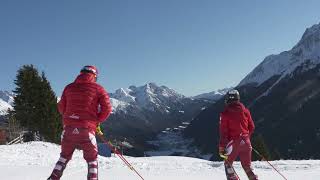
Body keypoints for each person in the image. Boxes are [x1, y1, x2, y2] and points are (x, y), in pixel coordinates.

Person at [48, 65, 112, 180]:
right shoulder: (99, 89)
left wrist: (71, 117)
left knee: (63, 157)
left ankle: (53, 177)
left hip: (68, 130)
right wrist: (96, 120)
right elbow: (107, 109)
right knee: (92, 160)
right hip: (87, 130)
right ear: (95, 76)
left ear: (80, 74)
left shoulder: (69, 88)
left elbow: (61, 107)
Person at [218, 89, 258, 180]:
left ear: (227, 99)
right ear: (238, 98)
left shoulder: (225, 114)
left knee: (228, 166)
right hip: (246, 142)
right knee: (247, 167)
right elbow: (252, 127)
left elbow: (224, 133)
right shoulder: (246, 111)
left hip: (233, 143)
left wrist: (222, 147)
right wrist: (246, 138)